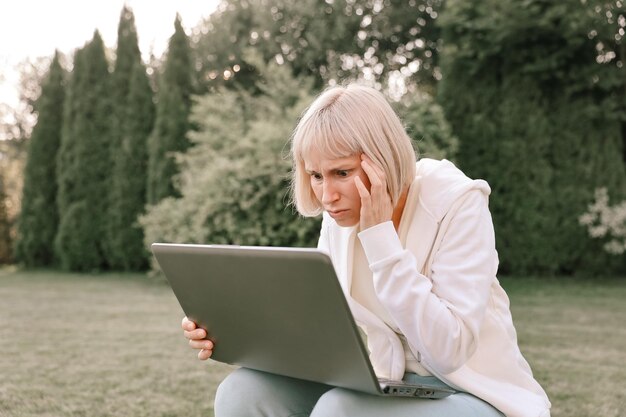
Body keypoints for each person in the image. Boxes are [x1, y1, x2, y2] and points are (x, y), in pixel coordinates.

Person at [182, 84, 551, 417]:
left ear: (383, 157)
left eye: (342, 173)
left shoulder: (458, 203)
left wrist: (380, 238)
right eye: (316, 176)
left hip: (474, 394)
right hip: (389, 384)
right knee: (242, 391)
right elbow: (322, 333)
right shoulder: (338, 218)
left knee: (340, 411)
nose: (326, 196)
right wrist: (232, 331)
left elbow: (448, 351)